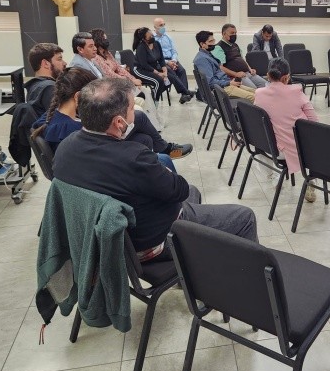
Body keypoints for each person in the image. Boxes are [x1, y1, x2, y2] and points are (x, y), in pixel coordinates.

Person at [52, 78, 257, 261]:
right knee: (244, 216)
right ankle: (248, 280)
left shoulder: (65, 147)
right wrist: (159, 167)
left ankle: (192, 268)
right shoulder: (133, 157)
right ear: (119, 122)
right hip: (150, 243)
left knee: (194, 191)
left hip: (105, 240)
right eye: (132, 109)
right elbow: (179, 189)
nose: (135, 114)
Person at [32, 70, 188, 170]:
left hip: (95, 161)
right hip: (100, 167)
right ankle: (160, 154)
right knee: (140, 119)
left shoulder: (52, 117)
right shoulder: (71, 131)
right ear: (78, 96)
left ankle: (153, 159)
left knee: (144, 139)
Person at [254, 58, 318, 202]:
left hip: (270, 149)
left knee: (262, 137)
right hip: (298, 150)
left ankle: (274, 176)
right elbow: (314, 122)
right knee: (311, 142)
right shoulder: (297, 92)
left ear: (268, 75)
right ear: (286, 77)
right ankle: (310, 178)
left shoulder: (259, 94)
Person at [132, 27, 194, 103]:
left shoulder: (156, 44)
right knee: (159, 80)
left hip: (152, 68)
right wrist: (158, 73)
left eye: (152, 35)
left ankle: (152, 96)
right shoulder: (141, 47)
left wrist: (165, 71)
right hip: (140, 70)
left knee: (171, 77)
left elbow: (161, 59)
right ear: (144, 39)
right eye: (150, 37)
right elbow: (144, 65)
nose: (152, 37)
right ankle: (155, 101)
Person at [193, 31, 255, 102]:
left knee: (258, 93)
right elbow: (210, 82)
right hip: (221, 89)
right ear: (202, 44)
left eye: (213, 40)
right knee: (254, 97)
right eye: (210, 41)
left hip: (226, 84)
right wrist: (228, 83)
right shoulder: (202, 59)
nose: (213, 43)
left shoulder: (208, 55)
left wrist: (230, 82)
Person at [212, 24, 266, 89]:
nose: (234, 35)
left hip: (247, 73)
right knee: (253, 89)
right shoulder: (219, 47)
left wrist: (250, 69)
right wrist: (236, 74)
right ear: (224, 34)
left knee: (266, 85)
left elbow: (242, 59)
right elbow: (220, 67)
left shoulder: (235, 45)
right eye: (232, 33)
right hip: (236, 76)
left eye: (235, 33)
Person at [152, 17, 192, 102]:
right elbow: (155, 56)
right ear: (155, 27)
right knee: (171, 72)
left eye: (164, 24)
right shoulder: (152, 39)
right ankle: (185, 92)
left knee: (182, 70)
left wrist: (174, 60)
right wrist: (167, 62)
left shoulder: (168, 37)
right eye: (160, 25)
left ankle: (184, 95)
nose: (163, 27)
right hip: (160, 62)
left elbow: (174, 51)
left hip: (172, 59)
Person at [25, 43, 66, 117]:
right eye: (59, 59)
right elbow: (61, 119)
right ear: (46, 63)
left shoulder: (33, 86)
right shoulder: (49, 87)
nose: (65, 63)